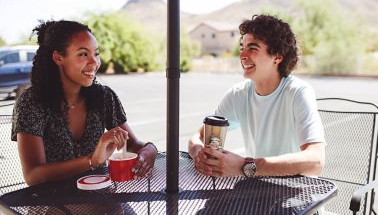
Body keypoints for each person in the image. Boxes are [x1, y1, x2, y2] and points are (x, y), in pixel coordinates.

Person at [11, 20, 158, 186]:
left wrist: (149, 151)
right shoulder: (32, 102)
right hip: (52, 202)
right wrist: (92, 160)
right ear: (58, 58)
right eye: (83, 54)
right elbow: (33, 175)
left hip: (100, 197)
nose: (94, 62)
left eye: (96, 53)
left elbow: (132, 144)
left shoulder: (104, 97)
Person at [188, 14, 325, 178]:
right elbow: (200, 136)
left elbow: (315, 161)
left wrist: (244, 166)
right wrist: (198, 153)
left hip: (297, 198)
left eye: (252, 48)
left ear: (278, 57)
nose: (242, 56)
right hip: (257, 193)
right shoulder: (238, 94)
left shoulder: (298, 92)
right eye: (241, 48)